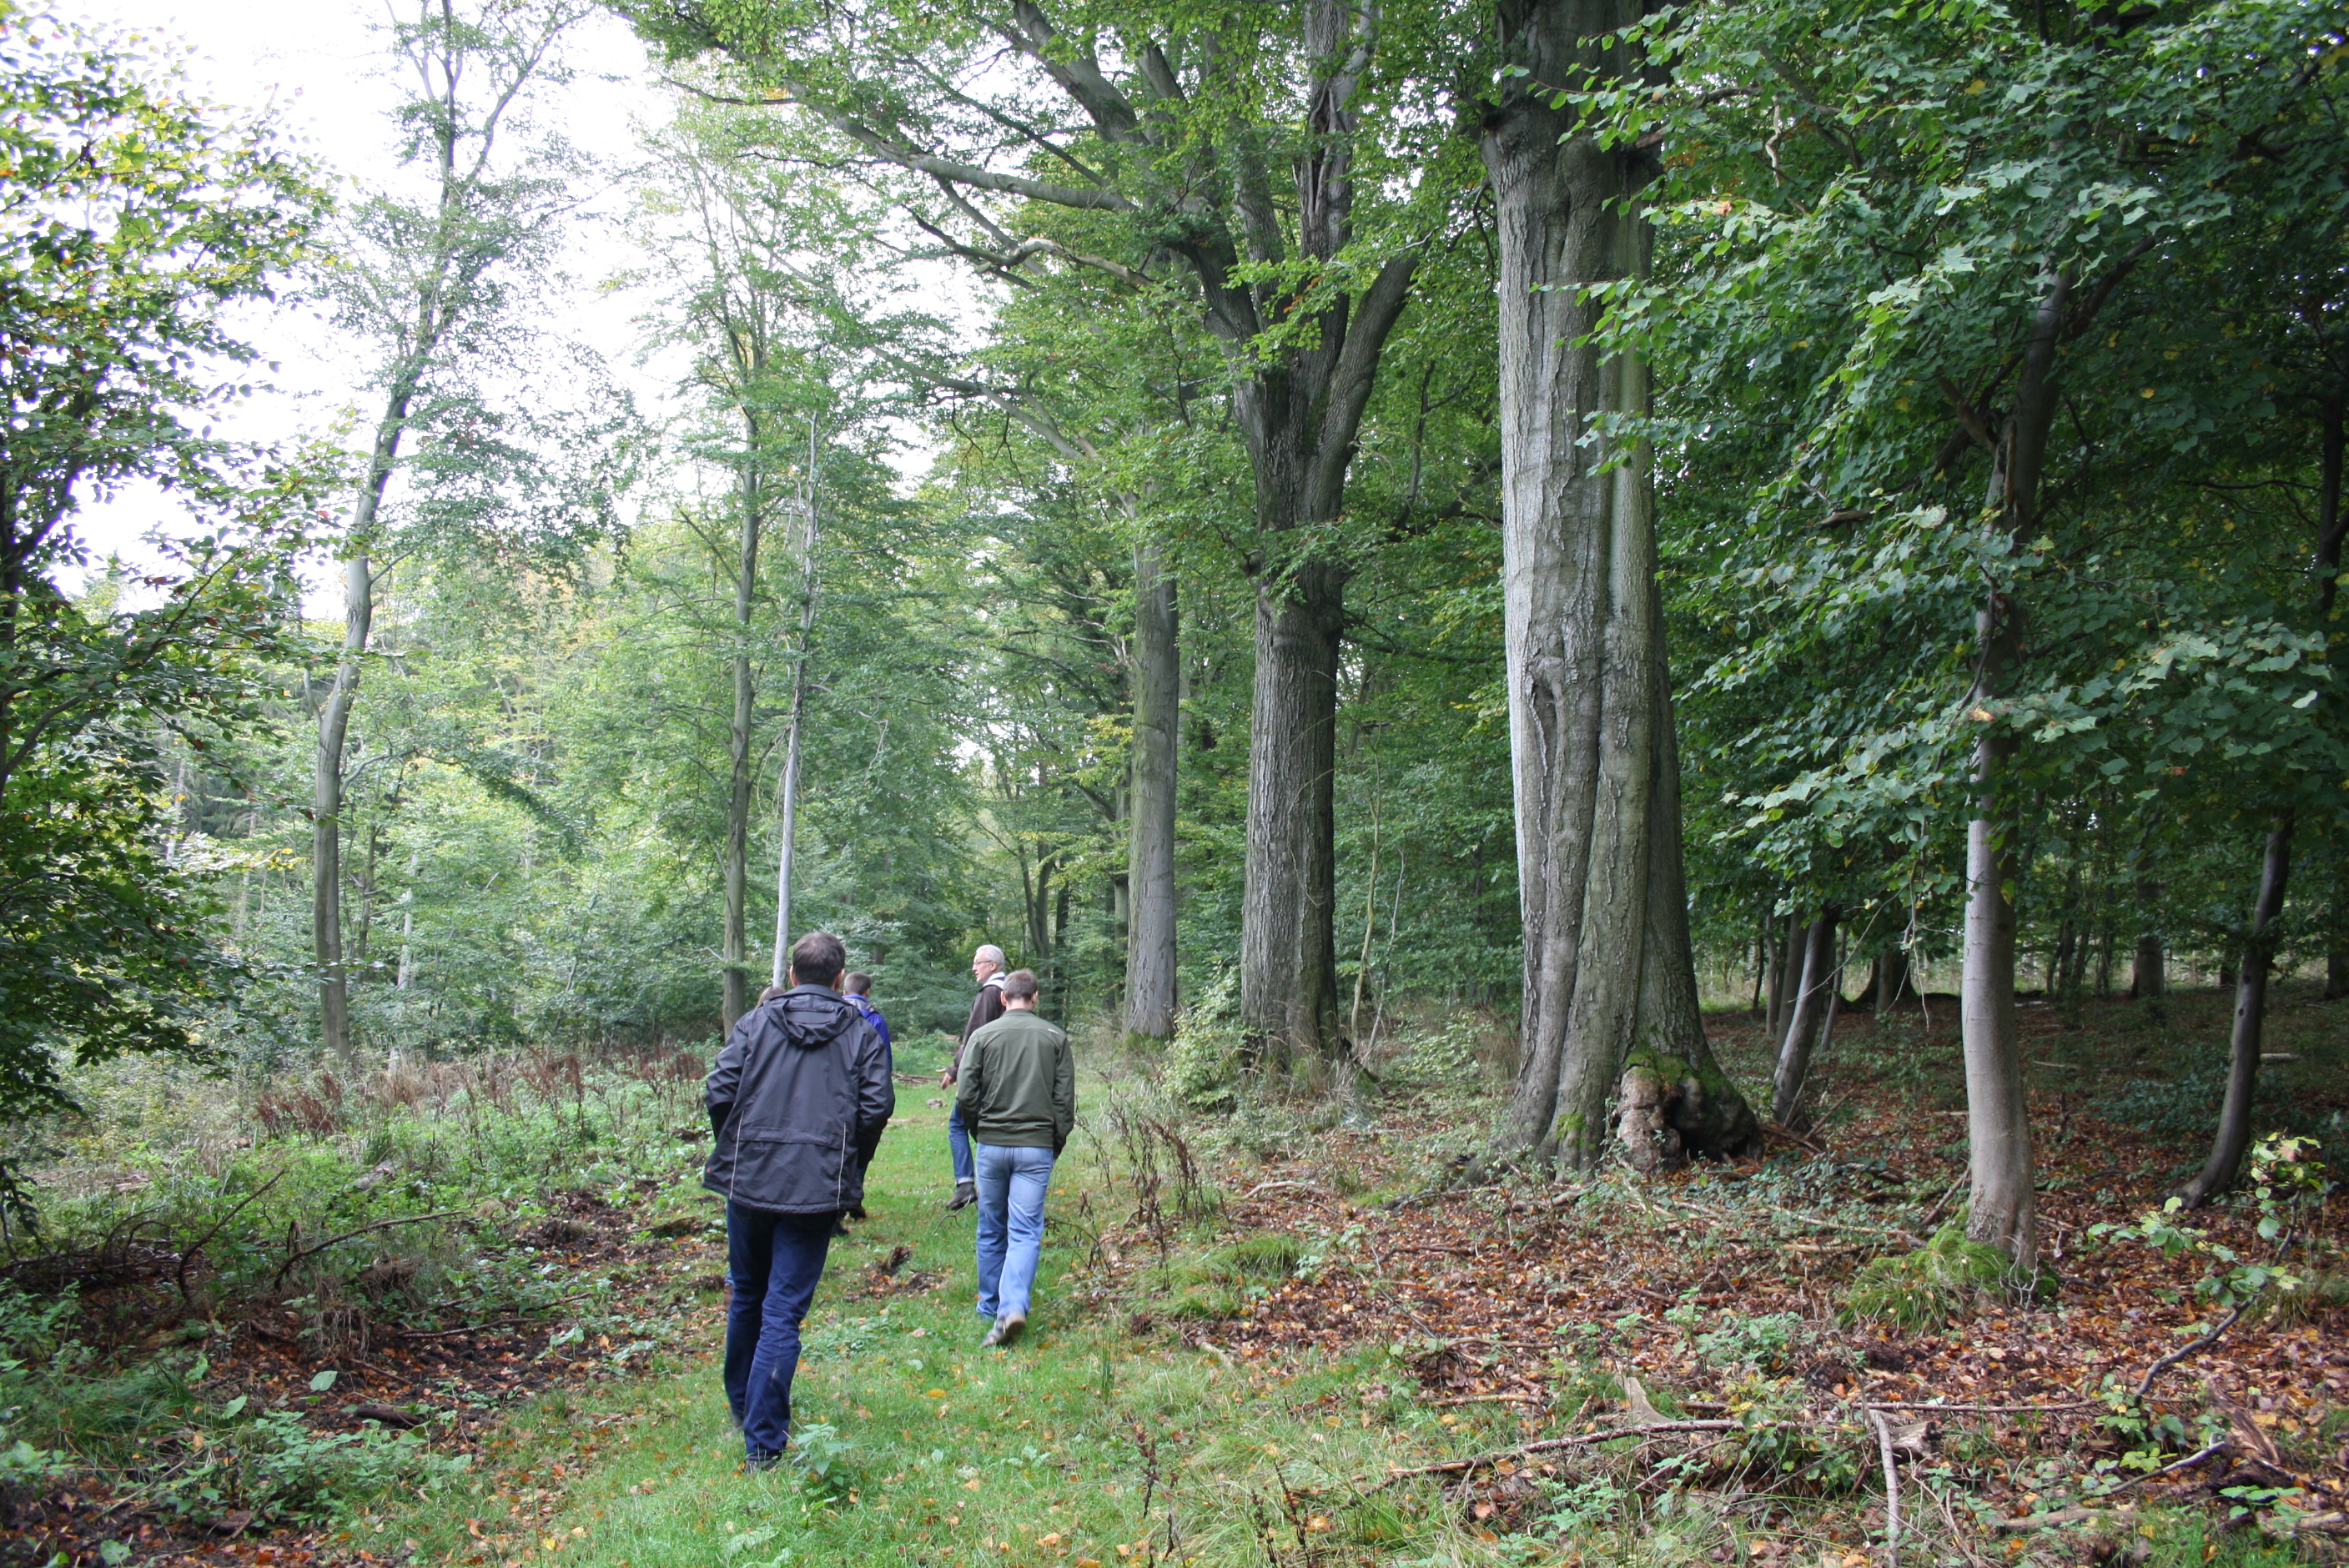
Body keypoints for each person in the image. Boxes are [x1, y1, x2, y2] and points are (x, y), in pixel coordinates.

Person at [703, 931, 893, 1468]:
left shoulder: (756, 1022)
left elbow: (720, 1091)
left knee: (751, 1295)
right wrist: (850, 1163)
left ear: (792, 974)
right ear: (839, 977)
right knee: (779, 1308)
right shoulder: (858, 1031)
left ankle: (750, 1416)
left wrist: (739, 1146)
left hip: (757, 1180)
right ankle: (761, 1436)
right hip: (812, 1185)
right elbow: (875, 1108)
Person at [954, 968, 1074, 1348]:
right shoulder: (1055, 1037)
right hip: (1036, 1145)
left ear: (1004, 999)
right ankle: (1013, 1306)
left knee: (991, 1227)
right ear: (1035, 997)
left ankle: (991, 1305)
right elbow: (1064, 1102)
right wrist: (1054, 1141)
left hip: (992, 1143)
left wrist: (980, 1130)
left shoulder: (982, 1036)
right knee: (1025, 1231)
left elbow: (966, 1094)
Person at [940, 944, 1007, 1211]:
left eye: (978, 963)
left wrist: (955, 1069)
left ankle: (966, 1185)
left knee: (959, 1125)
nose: (973, 968)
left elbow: (974, 1036)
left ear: (993, 965)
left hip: (981, 1074)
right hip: (1001, 1073)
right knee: (985, 1128)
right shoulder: (1008, 990)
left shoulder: (990, 993)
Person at [836, 972, 892, 1231]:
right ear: (867, 992)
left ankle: (840, 1199)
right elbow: (883, 1062)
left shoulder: (832, 1013)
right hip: (864, 1092)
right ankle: (853, 1194)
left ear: (844, 990)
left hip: (835, 1091)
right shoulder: (875, 1019)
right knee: (863, 1143)